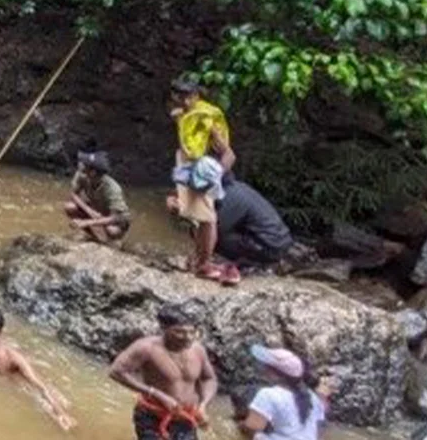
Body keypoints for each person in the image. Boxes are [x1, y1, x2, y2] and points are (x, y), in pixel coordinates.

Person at [111, 306, 219, 440]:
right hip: (152, 416)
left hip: (185, 417)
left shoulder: (198, 350)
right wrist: (156, 393)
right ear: (164, 328)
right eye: (179, 332)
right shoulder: (146, 348)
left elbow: (209, 379)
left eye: (192, 332)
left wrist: (203, 405)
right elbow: (116, 372)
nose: (188, 338)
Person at [169, 79, 237, 281]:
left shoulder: (206, 119)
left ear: (197, 97)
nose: (185, 101)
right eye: (180, 97)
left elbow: (229, 155)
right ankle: (198, 259)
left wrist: (213, 177)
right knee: (194, 218)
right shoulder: (182, 116)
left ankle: (205, 263)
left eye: (189, 97)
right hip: (189, 169)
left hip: (204, 172)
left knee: (207, 219)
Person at [240, 346, 327, 440]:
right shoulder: (312, 397)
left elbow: (253, 427)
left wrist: (241, 425)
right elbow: (318, 428)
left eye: (267, 367)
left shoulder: (268, 394)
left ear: (276, 375)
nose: (264, 369)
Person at [216, 178, 294, 273]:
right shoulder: (238, 187)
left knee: (213, 237)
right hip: (278, 241)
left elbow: (219, 227)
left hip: (269, 246)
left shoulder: (230, 195)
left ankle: (251, 263)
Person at [67, 150, 132, 244]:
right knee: (70, 207)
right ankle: (95, 237)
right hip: (96, 209)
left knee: (112, 230)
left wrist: (86, 222)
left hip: (117, 219)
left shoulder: (113, 188)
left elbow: (116, 217)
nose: (81, 166)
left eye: (85, 165)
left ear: (93, 172)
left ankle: (110, 241)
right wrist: (89, 211)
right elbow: (73, 194)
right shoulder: (81, 175)